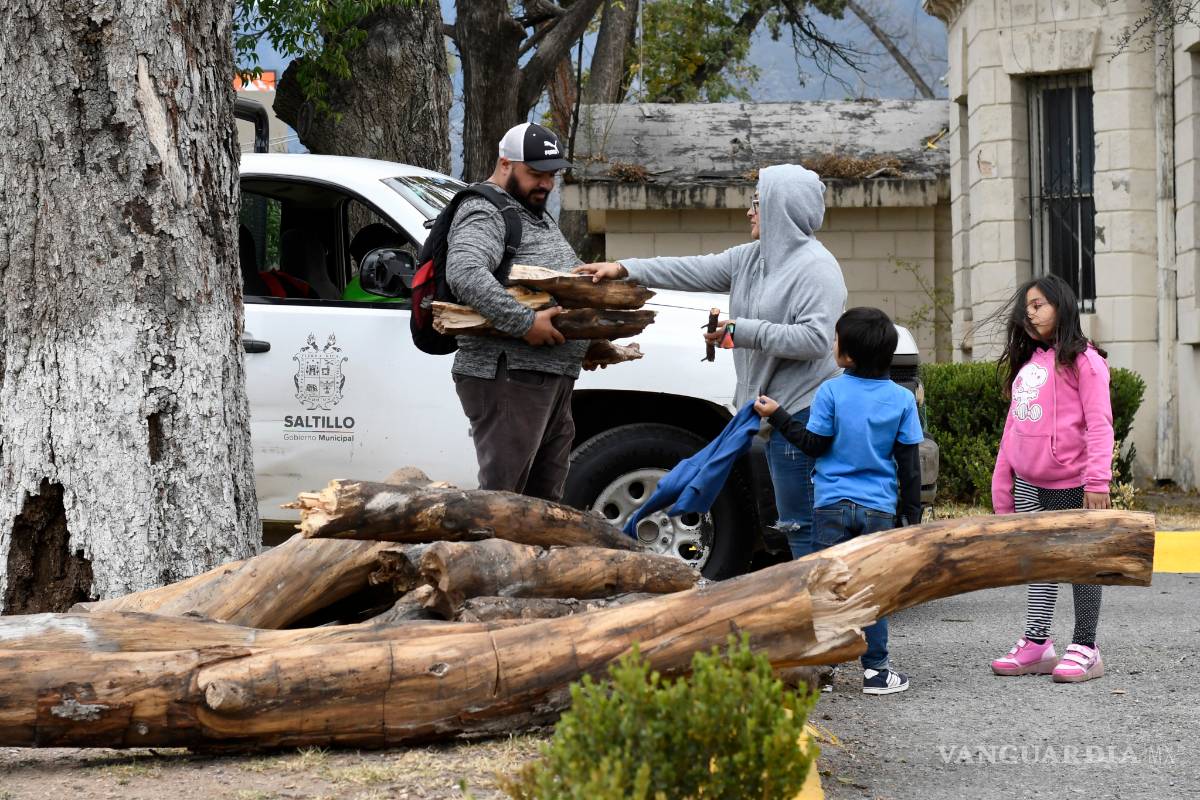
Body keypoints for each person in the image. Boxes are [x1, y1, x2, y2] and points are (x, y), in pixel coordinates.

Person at [575, 164, 847, 558]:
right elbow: (689, 268)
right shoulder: (752, 258)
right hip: (767, 414)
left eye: (757, 202)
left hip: (802, 416)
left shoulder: (817, 269)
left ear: (780, 208)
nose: (750, 211)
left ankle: (824, 609)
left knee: (803, 527)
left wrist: (740, 331)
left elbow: (815, 339)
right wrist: (624, 269)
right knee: (787, 526)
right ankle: (812, 604)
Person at [754, 307, 922, 695]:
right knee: (872, 591)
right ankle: (877, 671)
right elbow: (909, 465)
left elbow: (813, 445)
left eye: (835, 339)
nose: (831, 344)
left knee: (827, 587)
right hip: (879, 508)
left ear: (846, 355)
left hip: (830, 506)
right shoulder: (901, 399)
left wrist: (778, 416)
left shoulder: (830, 391)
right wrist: (910, 517)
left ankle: (823, 670)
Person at [446, 122, 589, 502]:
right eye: (536, 174)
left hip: (547, 376)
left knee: (542, 503)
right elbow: (464, 271)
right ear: (506, 164)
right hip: (508, 375)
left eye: (552, 175)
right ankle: (486, 563)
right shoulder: (486, 210)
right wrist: (525, 323)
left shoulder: (533, 212)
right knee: (503, 502)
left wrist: (590, 344)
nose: (546, 184)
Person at [989, 274, 1114, 683]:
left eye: (1040, 304)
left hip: (1071, 484)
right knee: (1039, 562)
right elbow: (1013, 427)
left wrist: (1097, 482)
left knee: (1081, 565)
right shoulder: (1031, 364)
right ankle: (1038, 643)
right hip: (1028, 482)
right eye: (1027, 306)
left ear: (1063, 306)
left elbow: (1100, 425)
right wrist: (1002, 483)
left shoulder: (1086, 362)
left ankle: (1086, 646)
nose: (1031, 312)